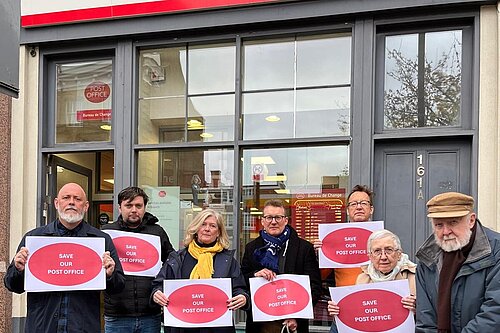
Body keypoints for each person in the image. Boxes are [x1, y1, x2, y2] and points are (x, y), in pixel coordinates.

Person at [4, 182, 125, 333]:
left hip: (83, 327)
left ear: (86, 206)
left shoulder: (101, 240)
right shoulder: (34, 238)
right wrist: (18, 269)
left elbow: (119, 286)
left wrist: (110, 274)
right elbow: (11, 285)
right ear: (56, 203)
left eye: (77, 199)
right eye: (66, 198)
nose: (71, 202)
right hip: (42, 326)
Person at [151, 208, 248, 333]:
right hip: (182, 327)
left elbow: (239, 288)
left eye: (212, 226)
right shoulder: (177, 258)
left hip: (216, 328)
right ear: (196, 229)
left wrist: (242, 297)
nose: (207, 229)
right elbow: (158, 284)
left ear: (218, 232)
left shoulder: (227, 261)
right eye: (203, 224)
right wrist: (157, 293)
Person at [416, 192, 500, 333]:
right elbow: (425, 317)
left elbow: (495, 311)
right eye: (439, 225)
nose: (446, 231)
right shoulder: (427, 259)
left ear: (471, 220)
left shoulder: (496, 251)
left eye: (453, 222)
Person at [241, 199, 322, 333]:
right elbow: (242, 280)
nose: (273, 221)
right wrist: (255, 274)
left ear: (285, 220)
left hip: (293, 323)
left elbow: (315, 287)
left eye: (278, 217)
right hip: (260, 324)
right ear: (262, 221)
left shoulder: (304, 248)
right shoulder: (252, 248)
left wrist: (297, 316)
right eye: (269, 217)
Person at [101, 186, 175, 332]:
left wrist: (161, 287)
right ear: (119, 208)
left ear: (144, 208)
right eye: (128, 205)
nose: (134, 209)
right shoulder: (107, 232)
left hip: (150, 313)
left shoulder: (157, 232)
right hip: (117, 314)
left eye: (138, 205)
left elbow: (171, 263)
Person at [328, 229, 416, 320]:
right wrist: (339, 308)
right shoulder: (362, 278)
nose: (383, 257)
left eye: (389, 250)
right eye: (377, 251)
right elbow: (359, 311)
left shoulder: (415, 276)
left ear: (399, 254)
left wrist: (417, 306)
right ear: (370, 256)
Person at [314, 184, 375, 287]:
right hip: (345, 298)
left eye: (364, 203)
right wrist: (320, 255)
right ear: (347, 210)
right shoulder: (335, 238)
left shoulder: (382, 238)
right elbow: (322, 275)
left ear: (371, 209)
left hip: (374, 298)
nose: (359, 207)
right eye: (354, 204)